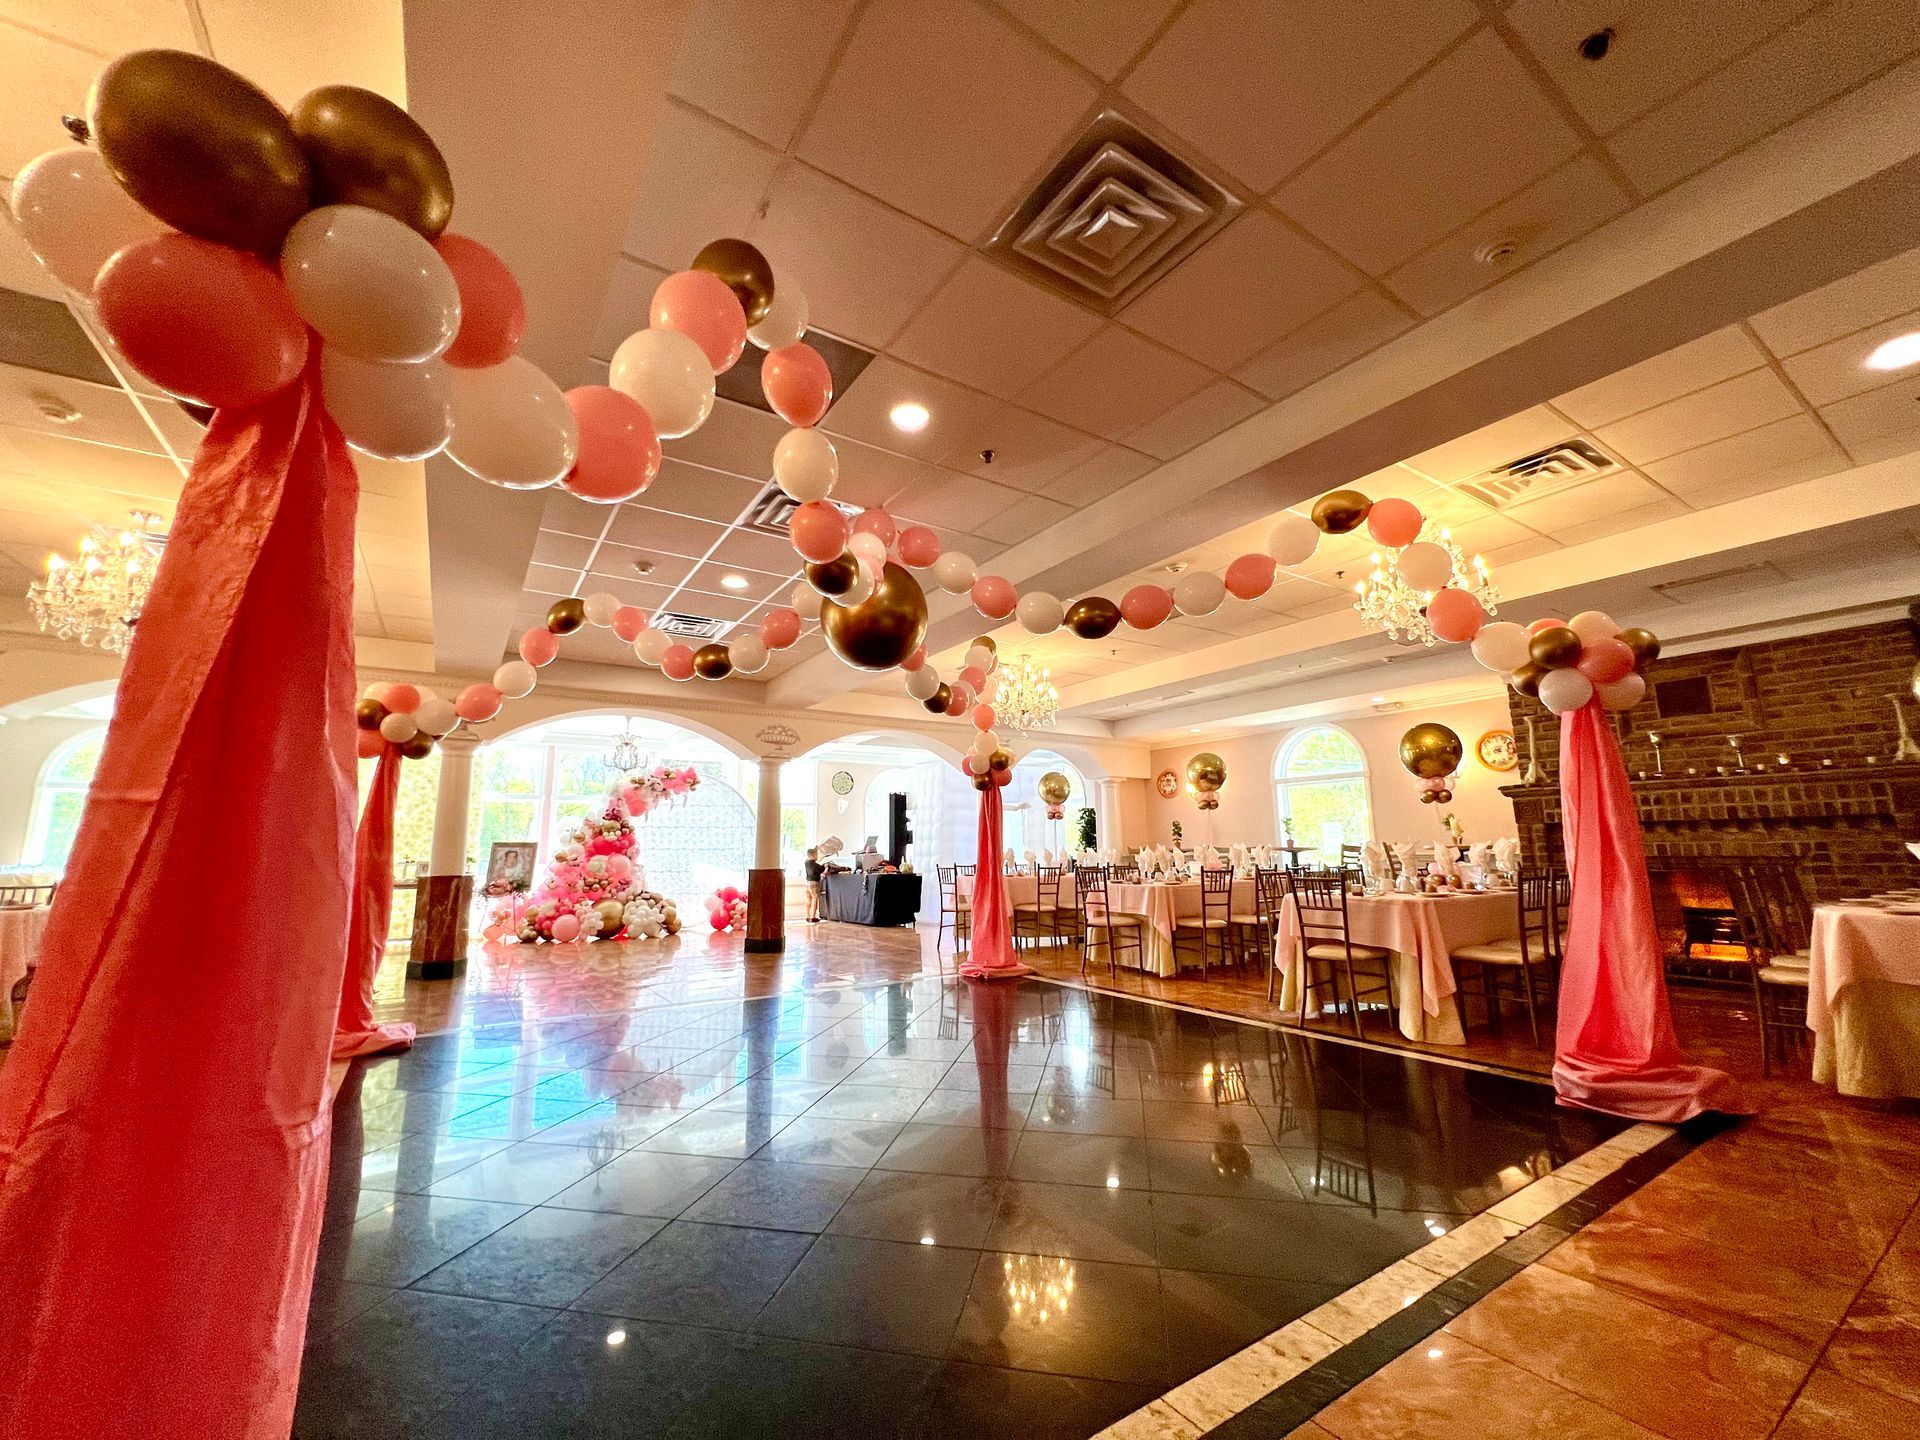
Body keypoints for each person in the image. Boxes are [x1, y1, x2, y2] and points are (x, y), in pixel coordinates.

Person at [803, 846, 823, 923]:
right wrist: (824, 866)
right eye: (817, 855)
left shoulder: (806, 862)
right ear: (813, 855)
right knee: (815, 897)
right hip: (814, 882)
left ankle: (808, 916)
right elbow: (820, 869)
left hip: (807, 882)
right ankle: (813, 917)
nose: (817, 857)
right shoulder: (814, 864)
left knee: (808, 898)